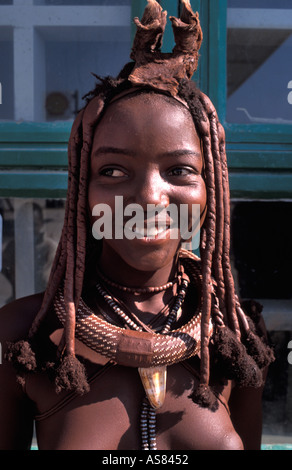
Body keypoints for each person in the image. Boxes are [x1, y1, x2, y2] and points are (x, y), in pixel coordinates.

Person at [0, 0, 273, 451]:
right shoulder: (24, 336)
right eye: (112, 171)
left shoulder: (234, 336)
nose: (148, 197)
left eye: (179, 171)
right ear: (82, 193)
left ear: (211, 191)